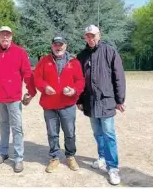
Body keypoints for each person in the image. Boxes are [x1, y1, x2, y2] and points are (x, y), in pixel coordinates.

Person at [0, 26, 36, 173]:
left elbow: (27, 73)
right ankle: (3, 152)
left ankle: (18, 158)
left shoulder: (20, 52)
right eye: (2, 35)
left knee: (17, 128)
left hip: (14, 98)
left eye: (7, 35)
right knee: (3, 126)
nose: (5, 37)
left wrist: (31, 90)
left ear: (11, 37)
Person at [76, 25, 126, 185]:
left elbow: (119, 77)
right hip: (90, 102)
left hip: (106, 101)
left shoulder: (109, 51)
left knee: (109, 134)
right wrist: (79, 100)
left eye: (93, 35)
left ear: (99, 35)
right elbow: (78, 80)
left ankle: (113, 168)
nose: (90, 38)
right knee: (97, 133)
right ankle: (102, 157)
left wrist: (120, 100)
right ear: (85, 37)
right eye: (88, 36)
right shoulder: (82, 56)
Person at [33, 36, 85, 173]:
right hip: (49, 105)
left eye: (61, 44)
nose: (58, 47)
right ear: (52, 47)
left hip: (67, 105)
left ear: (65, 46)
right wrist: (44, 87)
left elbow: (80, 81)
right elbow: (37, 78)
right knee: (52, 133)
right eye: (56, 45)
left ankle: (70, 156)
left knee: (69, 133)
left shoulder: (74, 62)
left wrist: (74, 90)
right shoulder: (44, 61)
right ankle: (55, 157)